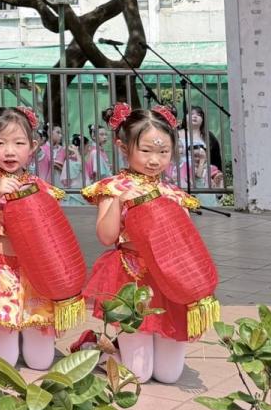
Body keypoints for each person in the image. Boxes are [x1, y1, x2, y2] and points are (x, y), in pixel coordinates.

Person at [82, 104, 204, 383]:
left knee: (169, 375)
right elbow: (106, 237)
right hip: (130, 276)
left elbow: (186, 244)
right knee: (138, 374)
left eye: (163, 152)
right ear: (124, 148)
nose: (154, 160)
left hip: (168, 279)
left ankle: (119, 348)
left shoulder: (175, 194)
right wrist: (118, 201)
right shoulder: (114, 187)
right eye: (146, 150)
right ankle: (96, 351)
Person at [0, 105, 64, 371]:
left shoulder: (42, 188)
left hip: (36, 274)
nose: (9, 151)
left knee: (40, 362)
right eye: (0, 143)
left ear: (33, 146)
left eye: (19, 143)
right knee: (3, 364)